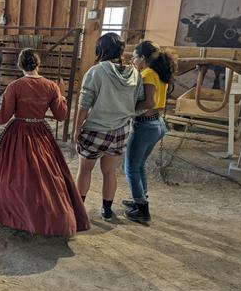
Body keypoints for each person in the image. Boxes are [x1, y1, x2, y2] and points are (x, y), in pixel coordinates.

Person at [0, 49, 89, 237]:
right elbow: (61, 116)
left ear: (19, 65)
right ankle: (49, 216)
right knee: (46, 176)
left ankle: (18, 214)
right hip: (41, 133)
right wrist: (61, 95)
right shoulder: (51, 86)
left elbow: (2, 117)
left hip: (17, 134)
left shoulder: (15, 86)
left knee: (15, 176)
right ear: (38, 64)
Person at [74, 33, 144, 220]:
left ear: (101, 49)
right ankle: (106, 209)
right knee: (109, 171)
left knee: (85, 169)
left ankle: (79, 209)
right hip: (121, 131)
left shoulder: (96, 71)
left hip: (96, 129)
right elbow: (138, 101)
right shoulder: (135, 73)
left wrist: (76, 128)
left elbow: (84, 104)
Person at [124, 41, 176, 225]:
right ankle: (140, 199)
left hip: (146, 125)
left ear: (142, 58)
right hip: (157, 123)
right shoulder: (159, 73)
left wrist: (127, 109)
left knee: (130, 167)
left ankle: (142, 210)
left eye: (134, 57)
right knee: (139, 165)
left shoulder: (147, 74)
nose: (132, 60)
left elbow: (148, 103)